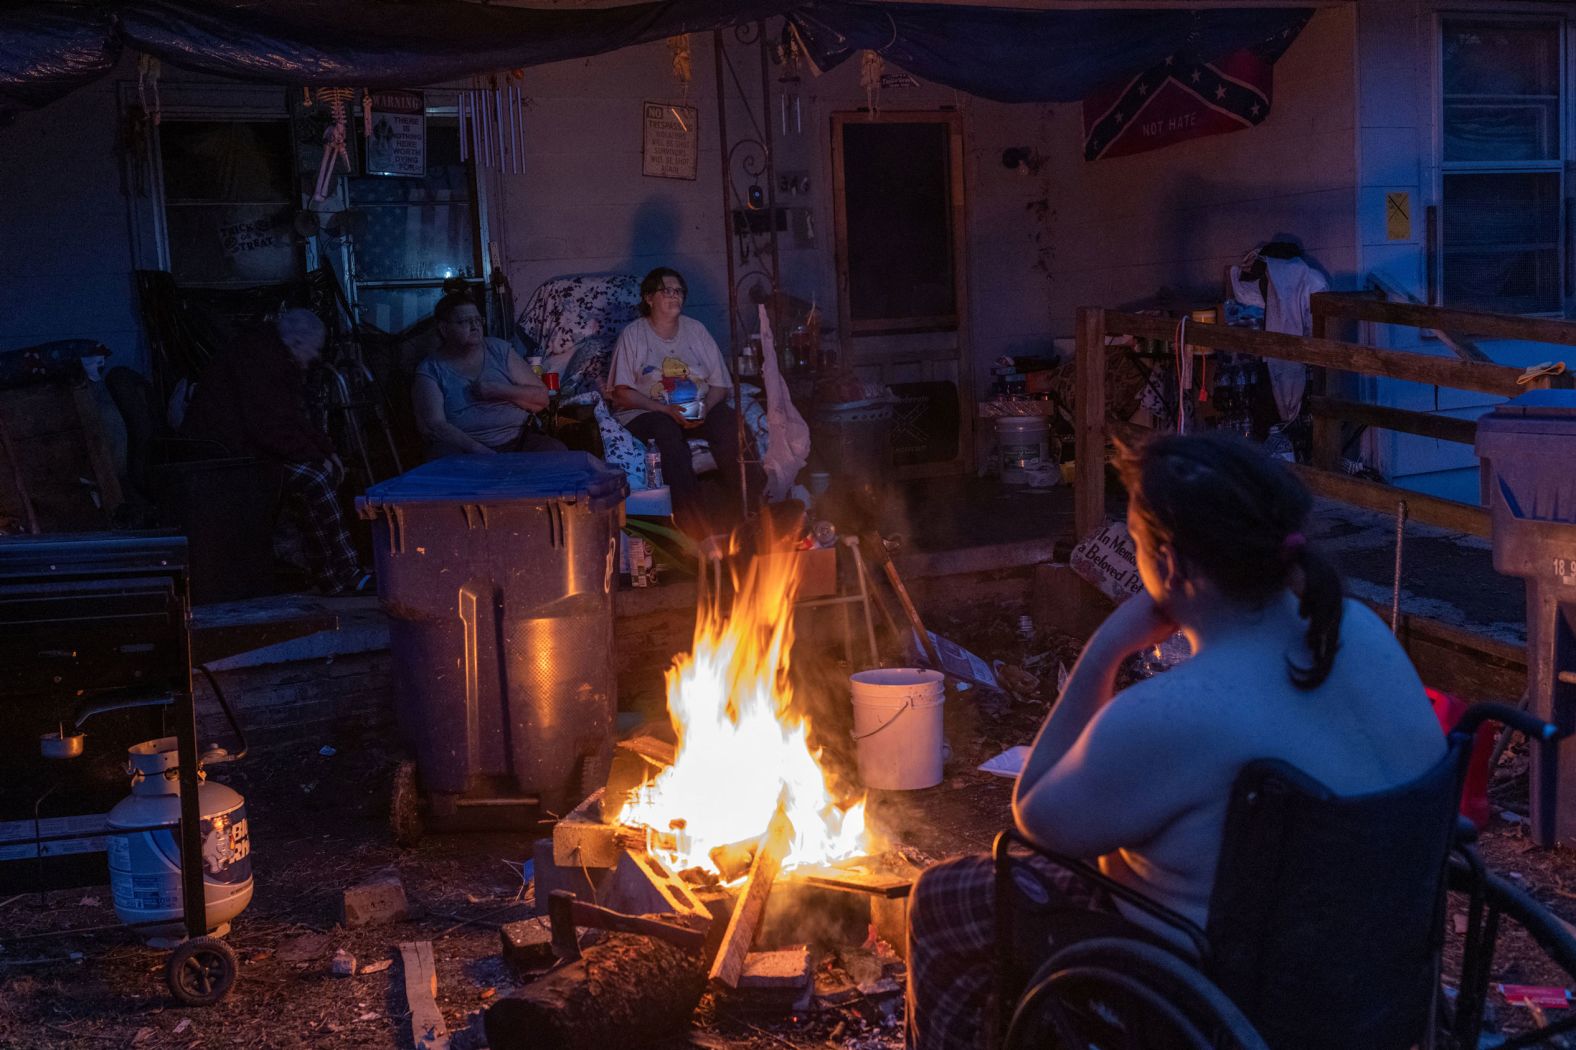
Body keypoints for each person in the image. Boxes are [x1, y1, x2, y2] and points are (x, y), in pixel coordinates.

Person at [905, 432, 1446, 1050]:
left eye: (1134, 544)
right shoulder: (1363, 635)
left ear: (1170, 563)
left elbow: (1036, 818)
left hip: (1223, 1003)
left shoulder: (1175, 713)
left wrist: (1104, 649)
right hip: (1378, 984)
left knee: (945, 898)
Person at [182, 308, 371, 595]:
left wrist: (324, 450)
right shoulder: (259, 362)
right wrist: (316, 455)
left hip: (245, 449)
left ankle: (333, 575)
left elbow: (291, 416)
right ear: (296, 343)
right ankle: (345, 570)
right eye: (314, 350)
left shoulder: (274, 359)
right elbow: (266, 426)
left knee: (315, 478)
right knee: (315, 480)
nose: (314, 359)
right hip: (231, 457)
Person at [608, 267, 759, 536]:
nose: (674, 296)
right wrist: (664, 409)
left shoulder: (696, 330)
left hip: (695, 407)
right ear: (649, 298)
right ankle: (694, 525)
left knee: (728, 423)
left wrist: (705, 408)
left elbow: (720, 384)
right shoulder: (633, 335)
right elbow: (621, 393)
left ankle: (754, 510)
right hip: (649, 411)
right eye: (667, 290)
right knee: (665, 433)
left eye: (679, 291)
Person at [412, 292, 567, 457]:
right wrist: (481, 451)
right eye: (465, 322)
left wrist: (498, 390)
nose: (475, 326)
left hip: (518, 439)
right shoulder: (431, 369)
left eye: (478, 320)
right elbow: (435, 425)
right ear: (444, 329)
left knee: (557, 452)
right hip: (466, 448)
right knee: (442, 460)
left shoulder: (499, 349)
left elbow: (541, 397)